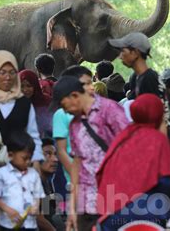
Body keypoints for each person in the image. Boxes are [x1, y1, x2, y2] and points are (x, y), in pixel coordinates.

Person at [52, 76, 129, 231]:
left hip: (114, 198)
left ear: (74, 96)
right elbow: (77, 163)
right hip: (85, 203)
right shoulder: (74, 124)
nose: (64, 110)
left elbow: (128, 149)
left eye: (64, 104)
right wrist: (73, 209)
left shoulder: (110, 110)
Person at [96, 94, 170, 230]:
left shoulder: (123, 137)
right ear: (158, 115)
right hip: (147, 215)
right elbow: (167, 180)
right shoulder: (157, 139)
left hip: (110, 215)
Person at [0, 50, 44, 230]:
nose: (8, 77)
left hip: (20, 168)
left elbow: (33, 134)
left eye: (12, 72)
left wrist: (35, 163)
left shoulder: (24, 103)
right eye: (2, 72)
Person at [0, 131, 45, 231]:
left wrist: (36, 207)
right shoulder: (0, 174)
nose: (28, 161)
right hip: (9, 224)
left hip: (30, 224)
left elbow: (38, 195)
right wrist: (8, 210)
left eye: (30, 158)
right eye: (24, 158)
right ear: (10, 155)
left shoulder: (34, 175)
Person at [52, 65, 94, 184]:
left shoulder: (100, 109)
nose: (91, 88)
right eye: (86, 83)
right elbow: (62, 151)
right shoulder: (62, 114)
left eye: (92, 83)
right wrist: (76, 177)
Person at [37, 138, 67, 231]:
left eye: (55, 154)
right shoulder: (34, 184)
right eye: (47, 154)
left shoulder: (48, 184)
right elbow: (38, 219)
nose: (55, 159)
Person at [19, 69, 52, 137]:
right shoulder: (15, 104)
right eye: (22, 86)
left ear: (35, 86)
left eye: (29, 86)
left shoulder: (47, 102)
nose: (25, 90)